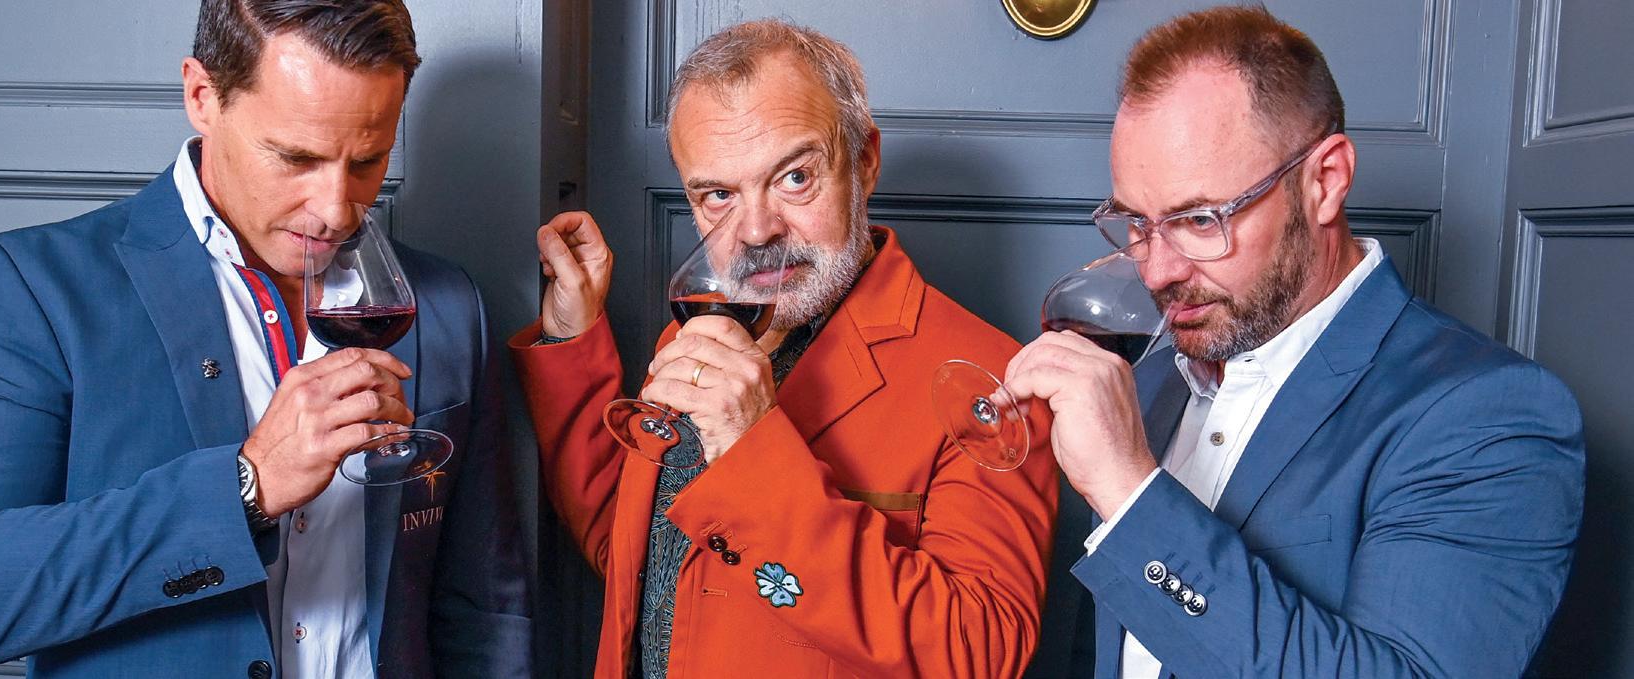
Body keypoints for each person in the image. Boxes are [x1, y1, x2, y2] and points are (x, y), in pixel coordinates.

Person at [0, 1, 530, 677]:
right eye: (296, 157)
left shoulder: (446, 305)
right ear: (202, 95)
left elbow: (484, 614)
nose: (335, 209)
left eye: (368, 160)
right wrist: (245, 487)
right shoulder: (33, 287)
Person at [1001, 6, 1585, 678]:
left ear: (1325, 180)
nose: (1156, 271)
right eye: (1137, 222)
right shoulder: (1153, 382)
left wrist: (1129, 494)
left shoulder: (1488, 417)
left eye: (1200, 220)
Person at [511, 18, 1060, 678]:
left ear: (864, 161)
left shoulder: (991, 380)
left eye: (794, 178)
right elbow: (640, 551)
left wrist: (752, 452)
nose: (756, 231)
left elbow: (979, 651)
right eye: (719, 194)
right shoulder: (700, 336)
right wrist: (571, 338)